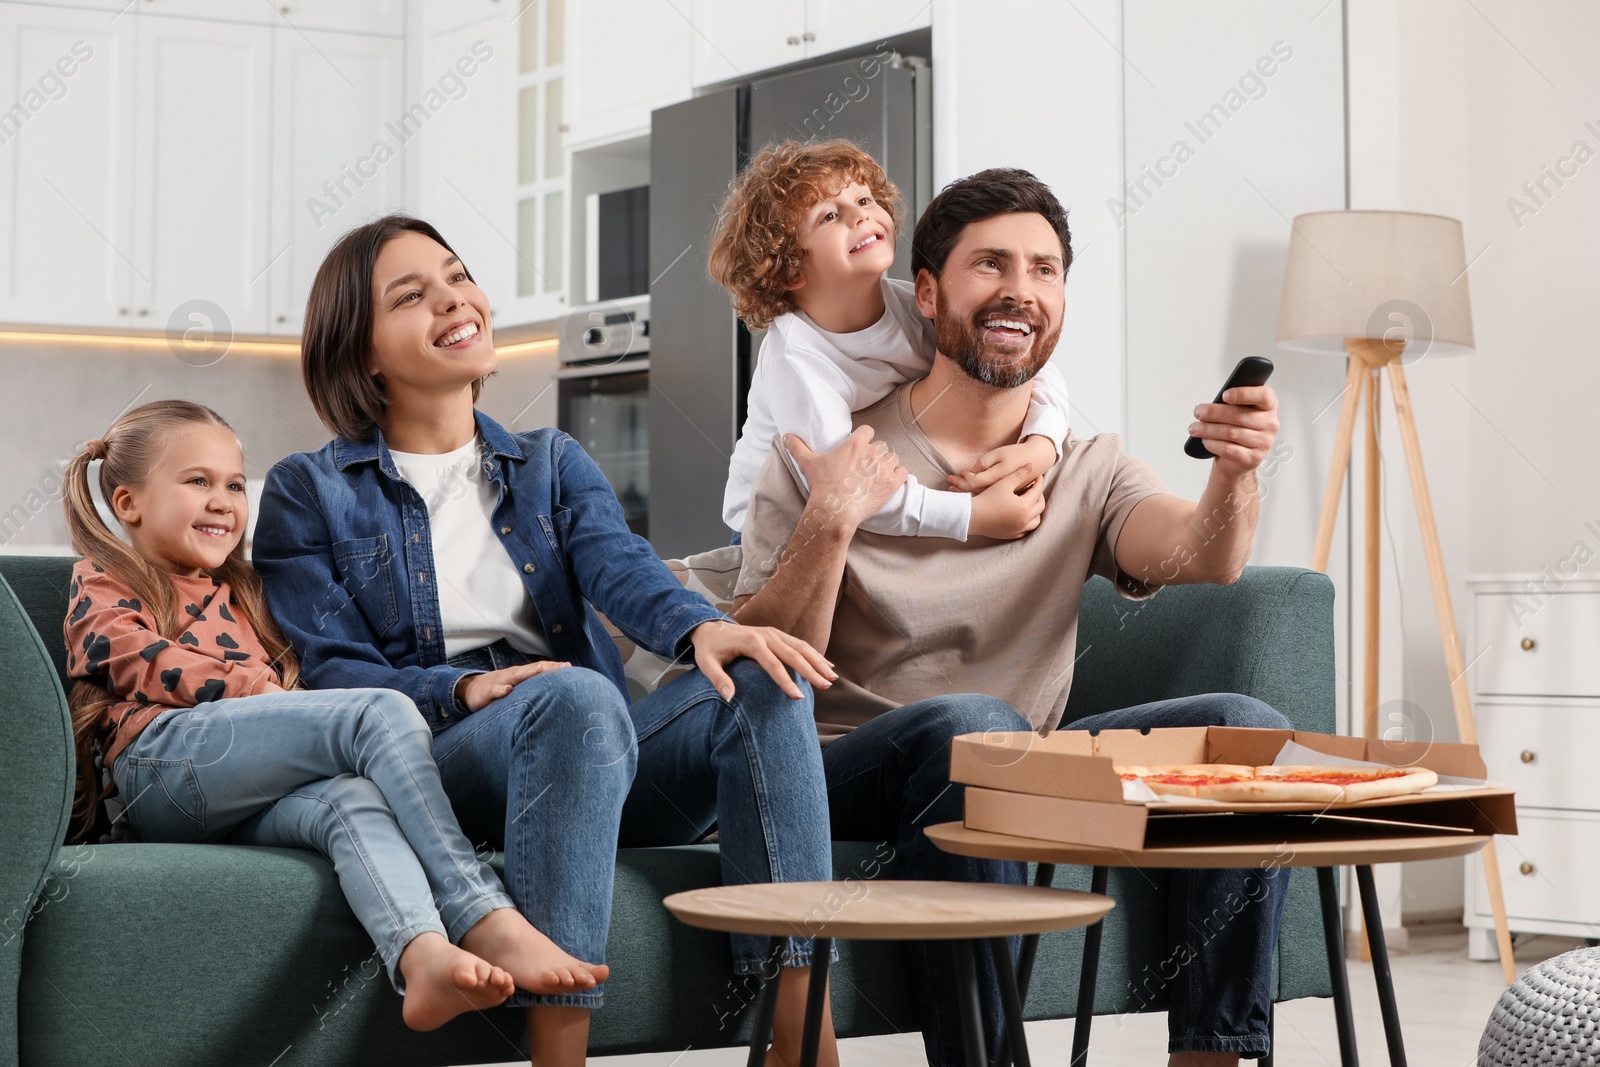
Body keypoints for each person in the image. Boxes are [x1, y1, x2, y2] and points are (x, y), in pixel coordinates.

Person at [251, 215, 842, 1067]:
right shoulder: (311, 491)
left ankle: (803, 1038)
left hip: (594, 737)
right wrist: (461, 691)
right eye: (411, 295)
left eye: (457, 276)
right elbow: (333, 668)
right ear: (363, 350)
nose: (454, 299)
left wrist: (707, 626)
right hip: (446, 754)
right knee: (571, 694)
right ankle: (558, 1056)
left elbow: (621, 566)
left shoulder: (549, 462)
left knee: (761, 675)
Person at [733, 168, 1292, 1066]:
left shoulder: (1081, 463)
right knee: (975, 728)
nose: (1020, 291)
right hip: (847, 763)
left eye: (1045, 270)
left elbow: (1203, 555)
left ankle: (1213, 1055)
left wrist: (1234, 468)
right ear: (926, 294)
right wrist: (831, 517)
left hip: (1022, 764)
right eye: (990, 265)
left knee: (1242, 730)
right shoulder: (829, 449)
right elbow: (761, 646)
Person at [58, 399, 601, 1036]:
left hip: (237, 791)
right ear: (128, 504)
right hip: (159, 769)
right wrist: (268, 697)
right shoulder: (105, 575)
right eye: (197, 481)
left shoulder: (245, 592)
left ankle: (421, 955)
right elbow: (131, 657)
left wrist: (291, 703)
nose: (223, 500)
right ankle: (480, 910)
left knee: (352, 800)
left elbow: (309, 681)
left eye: (235, 484)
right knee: (378, 711)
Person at [711, 139, 1071, 544]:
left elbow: (1035, 366)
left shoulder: (912, 304)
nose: (860, 217)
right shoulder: (797, 362)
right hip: (771, 531)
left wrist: (1043, 444)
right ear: (790, 269)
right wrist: (972, 515)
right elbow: (846, 493)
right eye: (830, 215)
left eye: (865, 200)